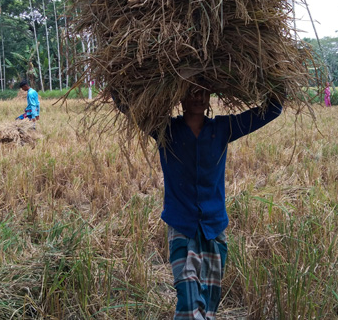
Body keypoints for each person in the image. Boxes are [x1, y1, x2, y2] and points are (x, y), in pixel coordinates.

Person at [113, 86, 282, 319]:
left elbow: (271, 111)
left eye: (203, 92)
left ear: (209, 97)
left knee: (208, 303)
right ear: (179, 96)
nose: (198, 97)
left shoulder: (223, 128)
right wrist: (117, 81)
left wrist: (276, 83)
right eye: (191, 91)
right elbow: (127, 107)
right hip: (182, 225)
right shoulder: (165, 129)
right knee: (188, 297)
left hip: (214, 228)